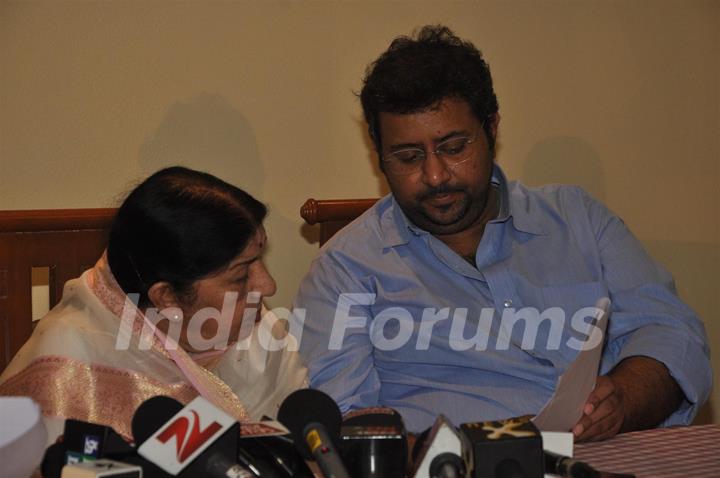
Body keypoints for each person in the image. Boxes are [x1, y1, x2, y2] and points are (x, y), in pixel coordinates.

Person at [292, 25, 711, 440]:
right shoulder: (345, 269)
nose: (435, 175)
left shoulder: (578, 219)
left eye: (454, 148)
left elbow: (673, 335)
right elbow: (345, 424)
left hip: (604, 457)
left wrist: (623, 397)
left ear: (491, 129)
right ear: (379, 155)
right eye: (407, 156)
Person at [0, 166, 307, 441]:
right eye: (242, 275)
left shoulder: (257, 329)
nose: (268, 285)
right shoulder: (70, 369)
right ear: (167, 297)